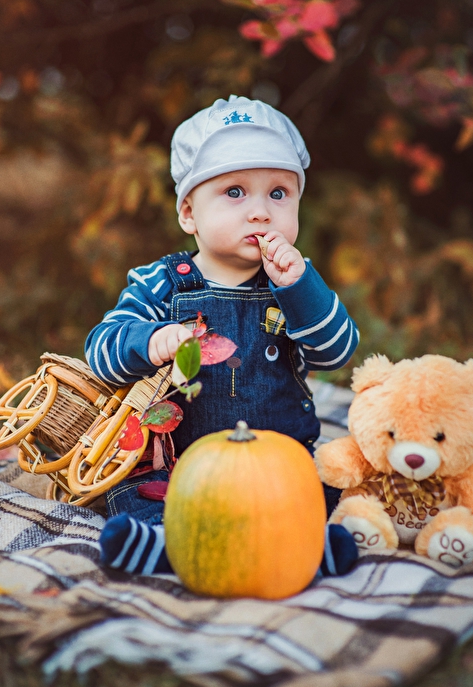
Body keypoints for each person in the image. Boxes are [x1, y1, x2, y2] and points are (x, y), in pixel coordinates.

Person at [86, 95, 360, 578]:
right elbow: (100, 352)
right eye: (235, 192)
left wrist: (300, 287)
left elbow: (337, 351)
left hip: (278, 461)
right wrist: (148, 341)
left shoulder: (293, 282)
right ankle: (162, 545)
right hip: (179, 467)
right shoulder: (163, 284)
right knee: (132, 489)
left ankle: (304, 546)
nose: (260, 212)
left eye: (278, 193)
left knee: (327, 487)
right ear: (189, 213)